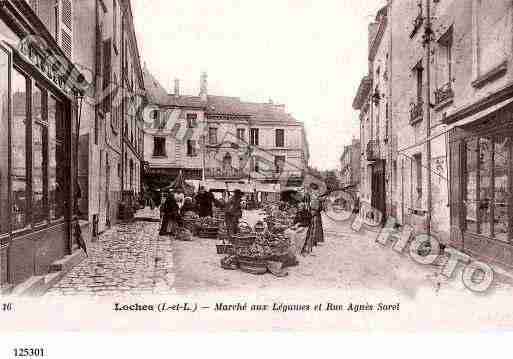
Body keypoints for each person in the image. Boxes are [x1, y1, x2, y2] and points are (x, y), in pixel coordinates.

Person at [302, 183, 325, 254]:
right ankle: (308, 245)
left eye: (315, 190)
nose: (315, 191)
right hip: (311, 214)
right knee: (311, 230)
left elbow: (320, 207)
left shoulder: (316, 196)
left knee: (313, 230)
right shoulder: (309, 196)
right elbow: (306, 205)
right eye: (314, 190)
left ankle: (311, 245)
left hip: (314, 214)